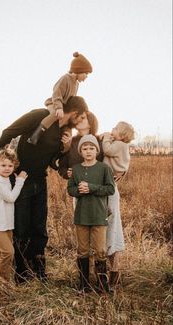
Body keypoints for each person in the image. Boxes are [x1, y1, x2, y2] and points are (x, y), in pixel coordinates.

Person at [0, 96, 89, 282]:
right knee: (22, 230)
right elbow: (8, 132)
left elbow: (52, 162)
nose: (81, 122)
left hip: (40, 182)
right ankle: (22, 275)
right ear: (74, 113)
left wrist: (64, 149)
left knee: (39, 230)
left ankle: (39, 272)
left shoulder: (64, 132)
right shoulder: (39, 116)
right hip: (21, 180)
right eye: (81, 118)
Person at [67, 134, 115, 292]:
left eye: (92, 148)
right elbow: (70, 189)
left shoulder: (104, 168)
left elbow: (110, 189)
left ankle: (102, 284)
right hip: (81, 216)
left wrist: (92, 187)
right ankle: (84, 284)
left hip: (99, 216)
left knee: (100, 250)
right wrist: (80, 191)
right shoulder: (76, 169)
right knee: (82, 250)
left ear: (97, 150)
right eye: (85, 148)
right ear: (81, 151)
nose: (88, 151)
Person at [27, 52, 93, 145]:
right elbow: (56, 93)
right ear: (79, 70)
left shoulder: (76, 84)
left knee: (68, 123)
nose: (86, 77)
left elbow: (73, 100)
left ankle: (62, 145)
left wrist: (83, 110)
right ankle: (35, 136)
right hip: (54, 103)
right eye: (86, 74)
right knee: (55, 114)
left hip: (64, 107)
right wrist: (58, 107)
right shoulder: (65, 78)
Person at [100, 121, 135, 289]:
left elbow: (106, 150)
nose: (111, 130)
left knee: (112, 224)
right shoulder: (121, 145)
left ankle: (114, 268)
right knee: (110, 225)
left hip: (110, 188)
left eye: (114, 129)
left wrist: (106, 137)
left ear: (121, 135)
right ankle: (110, 267)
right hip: (109, 185)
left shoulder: (119, 145)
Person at [0, 148, 27, 281]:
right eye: (3, 165)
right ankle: (3, 282)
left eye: (10, 165)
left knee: (0, 253)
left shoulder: (7, 179)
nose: (7, 168)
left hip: (7, 224)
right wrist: (20, 181)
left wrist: (16, 181)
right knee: (8, 252)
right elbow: (10, 198)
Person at [58, 110, 99, 180]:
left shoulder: (99, 142)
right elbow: (62, 167)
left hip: (95, 186)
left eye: (83, 118)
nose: (78, 119)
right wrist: (67, 174)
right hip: (76, 187)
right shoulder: (71, 142)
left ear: (90, 124)